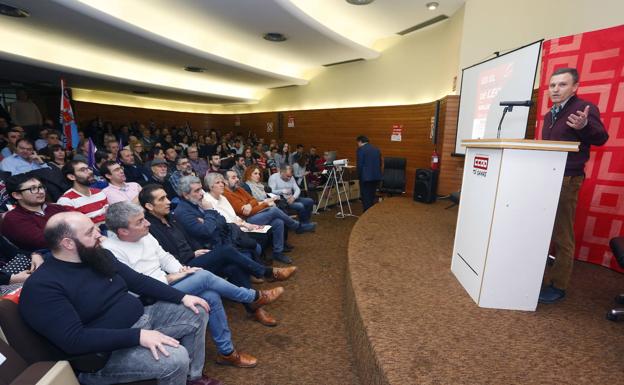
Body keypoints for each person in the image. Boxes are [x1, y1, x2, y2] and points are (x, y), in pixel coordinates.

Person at [19, 211, 217, 385]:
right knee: (175, 358)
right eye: (90, 233)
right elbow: (74, 339)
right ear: (68, 243)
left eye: (95, 228)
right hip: (103, 355)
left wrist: (182, 297)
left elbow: (138, 281)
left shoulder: (98, 256)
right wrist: (138, 336)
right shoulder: (42, 286)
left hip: (140, 321)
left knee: (196, 309)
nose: (99, 235)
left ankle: (193, 377)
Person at [102, 201, 284, 368]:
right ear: (123, 231)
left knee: (211, 296)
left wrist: (181, 271)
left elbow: (164, 257)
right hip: (149, 297)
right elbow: (135, 286)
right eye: (140, 221)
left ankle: (227, 353)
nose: (147, 223)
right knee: (204, 277)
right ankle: (253, 297)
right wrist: (172, 278)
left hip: (168, 284)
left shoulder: (144, 235)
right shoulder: (111, 251)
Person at [538, 67, 609, 304]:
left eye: (562, 85)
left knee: (562, 233)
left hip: (567, 180)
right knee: (542, 228)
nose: (556, 89)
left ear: (575, 87)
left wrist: (584, 127)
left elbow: (601, 138)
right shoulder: (550, 115)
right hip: (546, 177)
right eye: (552, 85)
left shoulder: (582, 110)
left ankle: (558, 285)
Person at [223, 170, 313, 264]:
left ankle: (277, 252)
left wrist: (249, 205)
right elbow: (246, 213)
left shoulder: (238, 189)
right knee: (274, 210)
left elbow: (253, 199)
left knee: (278, 222)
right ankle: (296, 227)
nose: (237, 179)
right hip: (246, 221)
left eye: (237, 177)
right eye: (233, 177)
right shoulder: (226, 194)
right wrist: (265, 204)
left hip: (254, 214)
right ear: (225, 181)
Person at [2, 174, 72, 251]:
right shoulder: (13, 218)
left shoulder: (56, 208)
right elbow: (43, 242)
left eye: (41, 187)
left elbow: (80, 225)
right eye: (33, 189)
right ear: (17, 195)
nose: (41, 192)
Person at [57, 160, 109, 226]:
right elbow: (76, 227)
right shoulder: (66, 201)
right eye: (83, 170)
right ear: (71, 177)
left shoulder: (99, 193)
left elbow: (108, 217)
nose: (90, 172)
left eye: (89, 169)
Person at [356, 135, 382, 212]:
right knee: (372, 195)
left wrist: (359, 175)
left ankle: (366, 213)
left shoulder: (361, 149)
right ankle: (371, 211)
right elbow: (380, 163)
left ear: (360, 141)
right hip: (376, 176)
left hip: (365, 177)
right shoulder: (376, 149)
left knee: (365, 196)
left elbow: (360, 164)